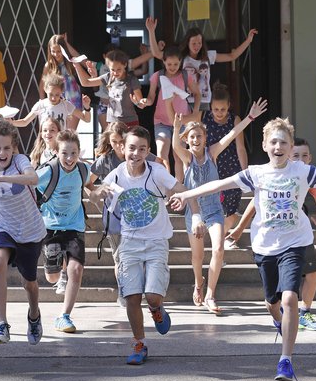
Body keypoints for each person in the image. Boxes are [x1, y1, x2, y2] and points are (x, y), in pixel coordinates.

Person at [170, 117, 316, 381]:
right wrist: (187, 195)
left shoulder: (302, 171)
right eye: (274, 142)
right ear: (265, 145)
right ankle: (279, 320)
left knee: (291, 298)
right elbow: (219, 184)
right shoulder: (256, 173)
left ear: (291, 147)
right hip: (265, 246)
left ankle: (286, 360)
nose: (278, 146)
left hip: (295, 243)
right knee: (273, 303)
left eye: (284, 142)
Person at [89, 127, 206, 365]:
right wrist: (99, 192)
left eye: (142, 149)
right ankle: (139, 344)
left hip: (156, 242)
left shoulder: (157, 172)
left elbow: (184, 191)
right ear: (122, 148)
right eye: (131, 148)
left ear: (148, 151)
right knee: (132, 296)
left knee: (152, 296)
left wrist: (196, 216)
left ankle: (156, 309)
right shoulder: (116, 175)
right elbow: (92, 192)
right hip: (129, 242)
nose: (136, 153)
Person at [171, 96, 268, 313]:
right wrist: (176, 128)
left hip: (214, 210)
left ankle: (210, 295)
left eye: (199, 136)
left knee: (218, 249)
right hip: (194, 213)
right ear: (188, 139)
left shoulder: (212, 153)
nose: (196, 140)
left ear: (205, 138)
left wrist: (250, 117)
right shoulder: (187, 157)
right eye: (192, 137)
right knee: (197, 257)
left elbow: (231, 135)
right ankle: (198, 282)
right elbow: (176, 146)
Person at [227, 137, 316, 330]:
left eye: (304, 155)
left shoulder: (310, 177)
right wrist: (240, 228)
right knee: (276, 293)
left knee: (312, 271)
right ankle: (281, 311)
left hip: (300, 232)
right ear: (289, 155)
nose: (300, 159)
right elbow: (254, 204)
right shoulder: (276, 175)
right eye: (296, 155)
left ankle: (305, 311)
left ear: (310, 158)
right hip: (276, 235)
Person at [0, 119, 47, 345]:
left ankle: (34, 314)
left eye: (6, 147)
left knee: (29, 283)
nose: (1, 152)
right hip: (2, 226)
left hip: (29, 229)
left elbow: (32, 178)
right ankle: (1, 323)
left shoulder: (20, 162)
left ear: (13, 147)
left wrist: (1, 179)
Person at [88, 122, 159, 306]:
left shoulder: (138, 154)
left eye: (121, 141)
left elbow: (159, 166)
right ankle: (124, 291)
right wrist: (98, 196)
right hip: (115, 218)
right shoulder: (105, 160)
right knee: (120, 257)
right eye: (114, 141)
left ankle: (137, 288)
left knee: (139, 256)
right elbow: (88, 183)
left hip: (138, 216)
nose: (118, 145)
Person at [36, 130, 92, 333]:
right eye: (65, 153)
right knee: (52, 277)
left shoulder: (84, 169)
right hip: (51, 227)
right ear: (56, 152)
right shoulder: (48, 171)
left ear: (79, 153)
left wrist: (96, 193)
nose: (69, 158)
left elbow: (91, 183)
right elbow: (28, 182)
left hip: (75, 227)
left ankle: (64, 316)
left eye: (74, 153)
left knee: (76, 270)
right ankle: (57, 266)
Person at [148, 16, 257, 112]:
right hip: (184, 100)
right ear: (188, 43)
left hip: (204, 100)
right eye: (193, 43)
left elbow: (231, 56)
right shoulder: (181, 57)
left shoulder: (208, 56)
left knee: (201, 132)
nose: (197, 46)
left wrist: (248, 40)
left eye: (199, 43)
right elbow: (157, 53)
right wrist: (151, 31)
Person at [138, 43, 201, 181]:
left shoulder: (186, 76)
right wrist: (144, 102)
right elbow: (151, 98)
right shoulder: (157, 76)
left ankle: (180, 189)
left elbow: (197, 93)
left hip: (182, 121)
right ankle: (164, 187)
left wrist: (194, 112)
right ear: (164, 62)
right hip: (161, 121)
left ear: (180, 63)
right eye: (169, 64)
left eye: (175, 64)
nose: (172, 67)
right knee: (161, 154)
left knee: (178, 156)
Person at [203, 83, 249, 248]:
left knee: (232, 206)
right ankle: (218, 236)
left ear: (229, 106)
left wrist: (245, 172)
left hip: (231, 166)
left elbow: (241, 148)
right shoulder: (204, 118)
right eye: (216, 109)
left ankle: (224, 236)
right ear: (211, 108)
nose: (219, 113)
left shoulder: (235, 119)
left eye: (223, 109)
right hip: (212, 166)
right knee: (213, 202)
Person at [74, 49, 144, 127]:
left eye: (119, 69)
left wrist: (138, 102)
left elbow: (141, 104)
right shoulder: (108, 77)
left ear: (125, 65)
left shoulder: (132, 80)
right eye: (112, 70)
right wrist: (77, 65)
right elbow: (86, 83)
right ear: (108, 67)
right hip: (113, 123)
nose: (115, 73)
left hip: (130, 122)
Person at [11, 74, 91, 131]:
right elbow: (25, 122)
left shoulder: (65, 105)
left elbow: (86, 119)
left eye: (57, 95)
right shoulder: (41, 105)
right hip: (45, 142)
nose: (53, 98)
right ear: (45, 89)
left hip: (60, 142)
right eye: (51, 94)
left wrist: (87, 108)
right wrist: (11, 122)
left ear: (62, 92)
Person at [40, 34, 84, 131]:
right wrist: (43, 104)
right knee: (56, 132)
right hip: (56, 101)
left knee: (69, 133)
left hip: (73, 101)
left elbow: (79, 58)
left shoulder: (70, 62)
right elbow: (42, 86)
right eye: (53, 51)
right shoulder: (49, 66)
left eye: (59, 51)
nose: (56, 54)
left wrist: (66, 44)